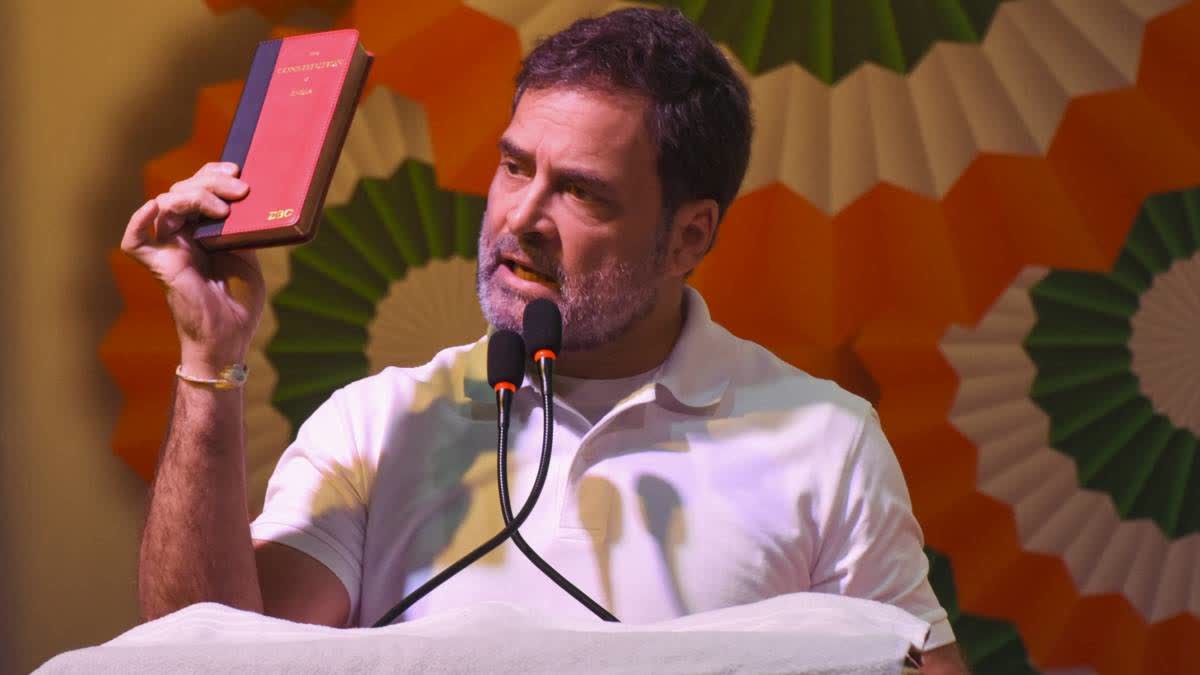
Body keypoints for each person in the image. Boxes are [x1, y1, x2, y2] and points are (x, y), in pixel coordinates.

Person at [122, 8, 967, 673]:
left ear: (689, 237)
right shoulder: (376, 422)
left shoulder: (826, 440)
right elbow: (206, 652)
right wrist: (207, 358)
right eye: (515, 165)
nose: (519, 218)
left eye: (582, 193)